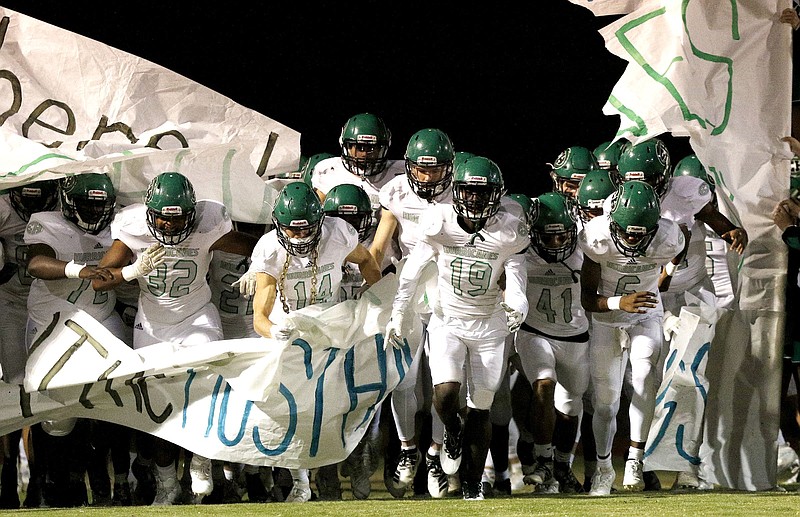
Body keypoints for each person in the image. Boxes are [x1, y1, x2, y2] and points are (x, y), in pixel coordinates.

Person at [91, 171, 258, 505]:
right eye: (162, 220)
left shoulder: (209, 223)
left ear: (192, 214)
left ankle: (201, 459)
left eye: (177, 219)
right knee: (159, 408)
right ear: (149, 213)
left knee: (208, 389)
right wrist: (131, 271)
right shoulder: (132, 227)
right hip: (152, 325)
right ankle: (167, 484)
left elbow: (257, 246)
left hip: (197, 316)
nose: (169, 227)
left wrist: (258, 264)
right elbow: (98, 280)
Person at [385, 155, 529, 500]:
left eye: (484, 193)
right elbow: (411, 273)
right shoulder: (439, 222)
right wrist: (398, 313)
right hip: (447, 320)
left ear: (498, 195)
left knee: (481, 406)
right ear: (457, 191)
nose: (476, 199)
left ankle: (471, 484)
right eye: (468, 191)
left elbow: (516, 273)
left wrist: (518, 303)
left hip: (489, 326)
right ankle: (451, 429)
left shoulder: (509, 230)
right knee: (446, 394)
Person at [244, 181, 381, 503]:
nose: (299, 237)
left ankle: (351, 458)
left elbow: (367, 262)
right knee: (293, 410)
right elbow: (259, 317)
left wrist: (376, 299)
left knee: (340, 404)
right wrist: (274, 330)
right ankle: (300, 481)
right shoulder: (269, 248)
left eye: (306, 231)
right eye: (292, 231)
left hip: (331, 327)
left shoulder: (339, 234)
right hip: (290, 331)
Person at [23, 173, 128, 507]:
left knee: (115, 400)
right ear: (68, 202)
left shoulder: (122, 224)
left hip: (102, 321)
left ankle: (103, 478)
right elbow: (36, 263)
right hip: (51, 326)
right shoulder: (45, 222)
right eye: (87, 204)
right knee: (57, 414)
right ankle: (56, 480)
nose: (95, 212)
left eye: (100, 205)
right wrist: (77, 270)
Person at [579, 180, 689, 496]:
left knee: (643, 379)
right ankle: (602, 469)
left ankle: (635, 459)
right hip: (608, 317)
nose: (632, 239)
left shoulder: (669, 237)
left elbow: (672, 264)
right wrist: (619, 302)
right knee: (605, 403)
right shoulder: (597, 237)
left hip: (646, 315)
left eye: (640, 233)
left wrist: (666, 273)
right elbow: (588, 298)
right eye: (627, 232)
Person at [370, 128, 456, 499]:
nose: (426, 177)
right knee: (403, 382)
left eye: (435, 170)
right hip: (407, 291)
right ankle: (408, 451)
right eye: (420, 169)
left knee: (442, 383)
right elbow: (378, 248)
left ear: (449, 169)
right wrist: (361, 286)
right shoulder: (396, 192)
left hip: (449, 295)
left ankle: (435, 455)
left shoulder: (462, 192)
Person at [656, 153, 747, 489]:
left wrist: (734, 232)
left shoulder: (691, 198)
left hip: (696, 299)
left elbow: (718, 221)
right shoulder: (635, 208)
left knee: (692, 380)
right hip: (655, 300)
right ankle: (644, 464)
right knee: (651, 383)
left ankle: (688, 465)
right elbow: (652, 280)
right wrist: (667, 273)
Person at [513, 191, 588, 495]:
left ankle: (561, 466)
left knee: (571, 410)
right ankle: (543, 460)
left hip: (576, 337)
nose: (556, 243)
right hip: (535, 332)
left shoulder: (587, 251)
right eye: (548, 236)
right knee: (544, 385)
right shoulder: (520, 253)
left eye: (563, 236)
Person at [0, 180, 59, 509]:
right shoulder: (4, 208)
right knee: (14, 389)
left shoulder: (61, 211)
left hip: (46, 305)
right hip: (9, 305)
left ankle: (40, 474)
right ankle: (11, 470)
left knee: (43, 391)